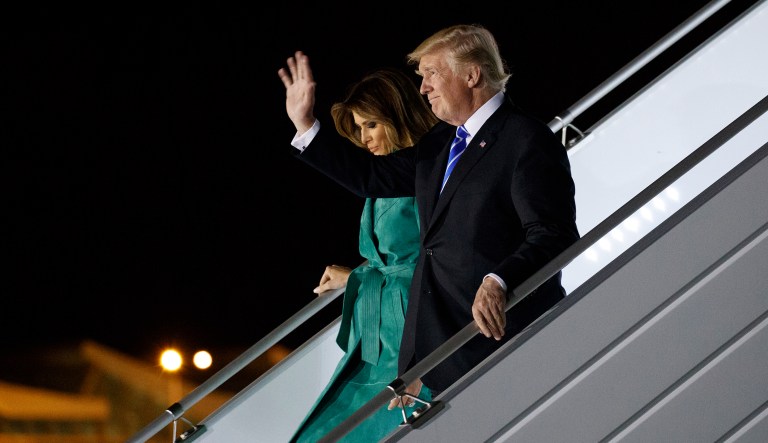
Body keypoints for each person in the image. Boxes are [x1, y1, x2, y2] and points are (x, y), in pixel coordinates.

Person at [279, 23, 579, 405]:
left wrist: (499, 280)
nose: (423, 88)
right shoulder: (438, 143)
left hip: (505, 339)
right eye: (422, 78)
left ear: (472, 74)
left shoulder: (526, 140)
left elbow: (553, 235)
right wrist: (304, 124)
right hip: (441, 351)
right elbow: (371, 177)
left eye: (432, 74)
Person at [288, 68, 439, 443]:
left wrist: (305, 123)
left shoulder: (425, 171)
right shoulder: (393, 176)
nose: (364, 137)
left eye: (371, 124)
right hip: (376, 332)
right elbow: (393, 255)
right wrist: (355, 275)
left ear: (397, 116)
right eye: (358, 128)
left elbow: (431, 256)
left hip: (409, 333)